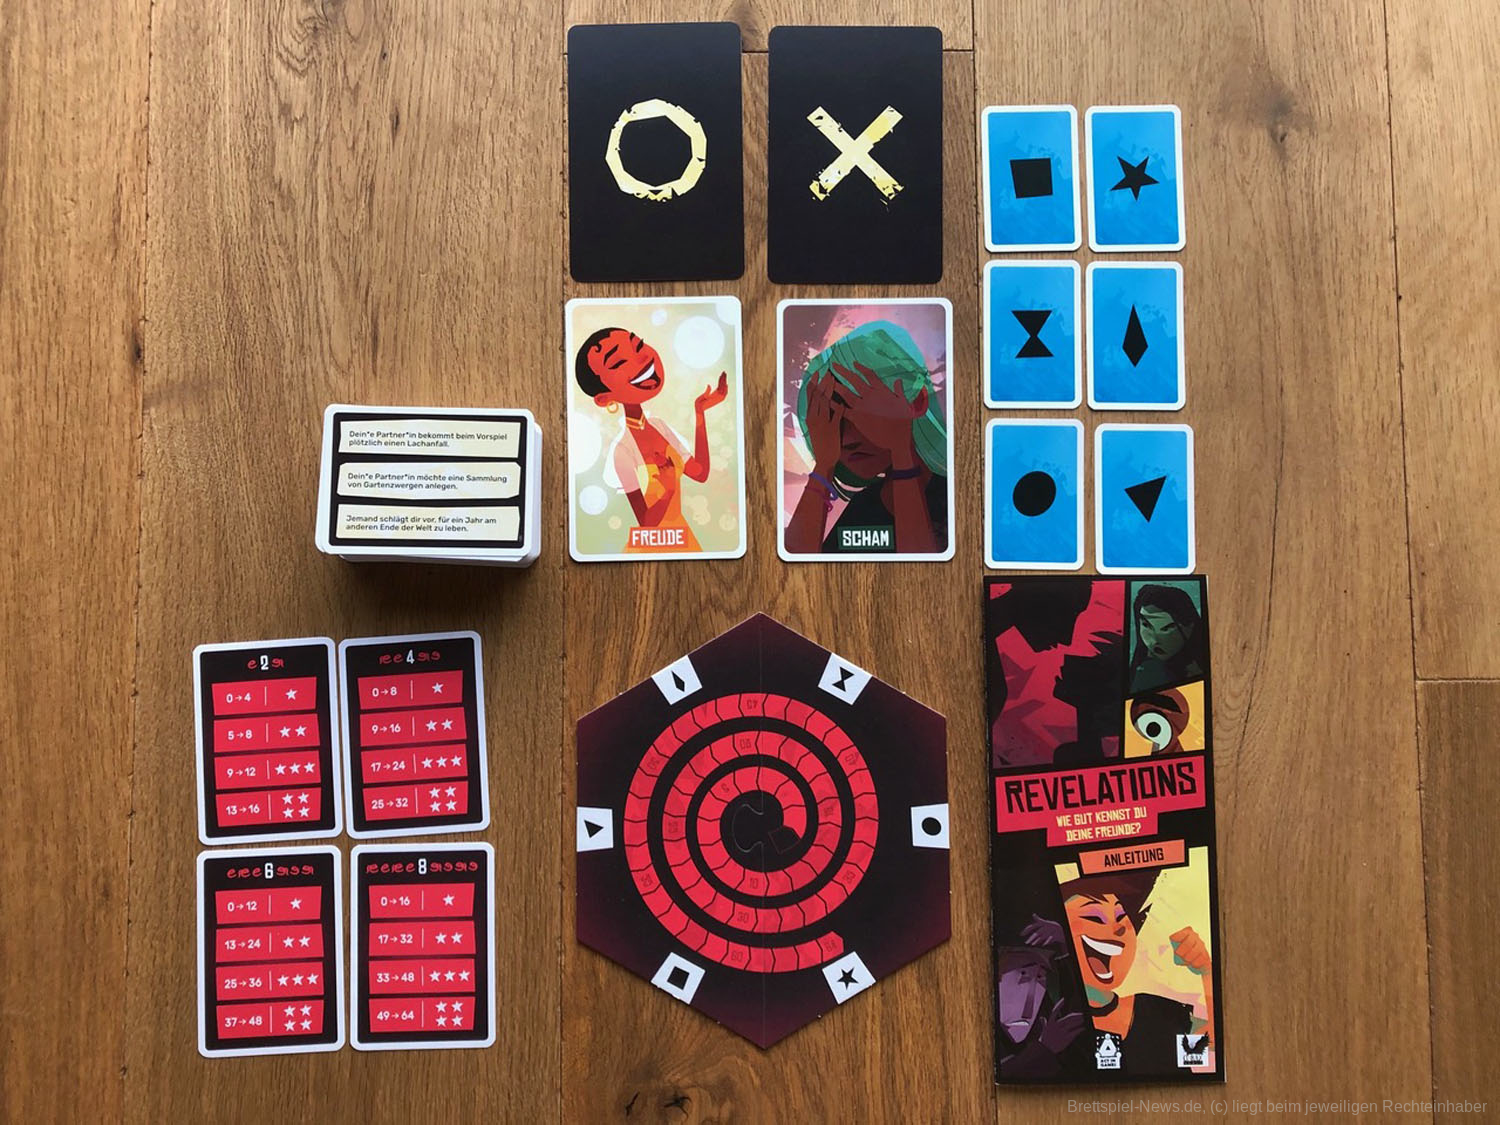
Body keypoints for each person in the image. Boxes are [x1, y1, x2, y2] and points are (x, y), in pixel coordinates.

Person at [784, 320, 948, 555]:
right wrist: (824, 464)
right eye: (829, 417)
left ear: (917, 401)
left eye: (858, 407)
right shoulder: (864, 507)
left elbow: (922, 567)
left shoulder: (955, 495)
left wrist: (901, 451)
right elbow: (796, 565)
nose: (844, 438)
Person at [574, 326, 728, 553]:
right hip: (651, 548)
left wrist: (700, 412)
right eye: (619, 362)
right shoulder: (623, 450)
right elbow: (646, 523)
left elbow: (700, 472)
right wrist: (668, 490)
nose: (642, 358)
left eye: (638, 346)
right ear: (605, 398)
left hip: (683, 539)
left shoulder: (659, 426)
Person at [1059, 868, 1214, 1077]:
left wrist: (1206, 971)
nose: (1119, 928)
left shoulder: (1156, 1011)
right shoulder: (1055, 1029)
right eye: (1095, 918)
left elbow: (1213, 1042)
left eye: (1121, 916)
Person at [1129, 582, 1206, 692]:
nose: (1154, 640)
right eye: (1146, 625)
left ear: (1190, 626)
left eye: (1167, 628)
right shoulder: (1144, 673)